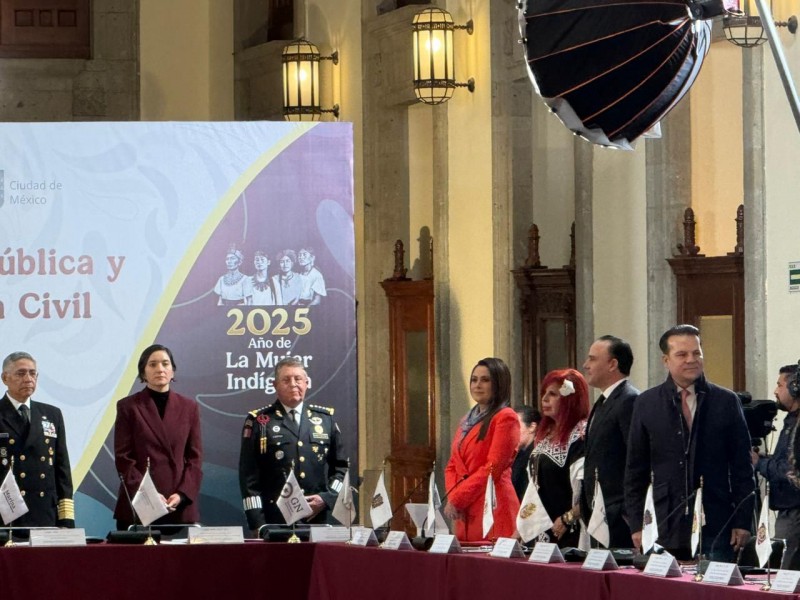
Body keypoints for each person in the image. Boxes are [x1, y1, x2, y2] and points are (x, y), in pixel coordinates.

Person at [625, 324, 754, 561]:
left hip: (717, 521)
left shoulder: (726, 401)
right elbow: (635, 469)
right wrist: (636, 523)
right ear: (666, 360)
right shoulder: (647, 403)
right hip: (663, 521)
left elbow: (742, 467)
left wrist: (743, 520)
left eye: (696, 353)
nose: (691, 360)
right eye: (682, 354)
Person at [239, 357, 347, 535]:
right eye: (286, 380)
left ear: (307, 383)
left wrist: (327, 498)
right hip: (274, 519)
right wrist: (257, 523)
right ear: (274, 385)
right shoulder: (259, 421)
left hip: (314, 518)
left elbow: (342, 468)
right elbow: (248, 477)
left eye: (298, 379)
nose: (293, 384)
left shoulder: (325, 419)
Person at [114, 344, 203, 530]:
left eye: (165, 363)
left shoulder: (189, 407)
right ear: (143, 373)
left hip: (178, 505)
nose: (160, 369)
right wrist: (149, 495)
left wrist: (182, 494)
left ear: (173, 371)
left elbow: (195, 458)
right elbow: (123, 459)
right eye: (153, 364)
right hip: (140, 504)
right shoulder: (128, 407)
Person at [443, 357, 520, 541]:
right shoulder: (466, 421)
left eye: (485, 380)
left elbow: (493, 467)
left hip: (493, 507)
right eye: (474, 379)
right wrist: (454, 498)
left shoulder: (505, 417)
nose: (477, 385)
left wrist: (459, 498)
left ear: (498, 384)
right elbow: (452, 465)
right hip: (465, 509)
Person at [0, 351, 74, 528]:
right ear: (5, 378)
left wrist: (66, 517)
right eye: (21, 373)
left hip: (44, 512)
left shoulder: (52, 414)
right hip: (5, 513)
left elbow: (62, 469)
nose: (28, 379)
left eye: (32, 373)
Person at [580, 335, 639, 548]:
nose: (586, 365)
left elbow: (635, 457)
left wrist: (626, 511)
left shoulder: (629, 400)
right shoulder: (603, 401)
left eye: (592, 359)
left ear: (613, 364)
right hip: (599, 511)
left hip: (617, 515)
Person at [528, 368, 589, 548]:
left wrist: (568, 517)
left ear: (570, 399)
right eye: (544, 393)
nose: (544, 399)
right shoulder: (545, 435)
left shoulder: (581, 435)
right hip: (542, 527)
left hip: (569, 530)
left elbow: (589, 491)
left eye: (553, 394)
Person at [752, 364, 800, 570]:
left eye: (780, 385)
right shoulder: (791, 421)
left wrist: (759, 463)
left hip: (794, 512)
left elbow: (791, 471)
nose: (775, 391)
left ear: (795, 387)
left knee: (786, 572)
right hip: (789, 510)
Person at [512, 405, 540, 501]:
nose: (511, 432)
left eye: (516, 426)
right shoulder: (517, 454)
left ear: (532, 427)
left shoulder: (538, 455)